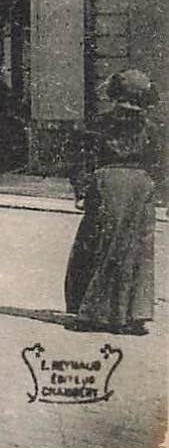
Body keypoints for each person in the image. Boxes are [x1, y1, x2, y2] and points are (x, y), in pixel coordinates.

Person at [65, 70, 163, 334]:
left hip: (106, 183)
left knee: (97, 245)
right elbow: (161, 162)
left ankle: (90, 313)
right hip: (141, 186)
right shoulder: (153, 127)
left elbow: (80, 157)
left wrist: (82, 190)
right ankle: (134, 315)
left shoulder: (98, 123)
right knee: (138, 249)